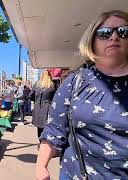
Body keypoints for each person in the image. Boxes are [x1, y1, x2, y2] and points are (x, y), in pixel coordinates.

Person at [36, 10, 128, 180]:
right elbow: (55, 130)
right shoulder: (75, 82)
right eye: (105, 33)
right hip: (76, 175)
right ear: (91, 41)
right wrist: (41, 166)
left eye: (123, 31)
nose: (114, 37)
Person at [28, 70, 55, 141]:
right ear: (49, 76)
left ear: (41, 76)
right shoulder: (52, 86)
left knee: (39, 127)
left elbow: (30, 96)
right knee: (48, 127)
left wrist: (36, 101)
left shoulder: (37, 85)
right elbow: (55, 98)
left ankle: (40, 142)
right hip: (48, 108)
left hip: (38, 108)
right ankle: (46, 143)